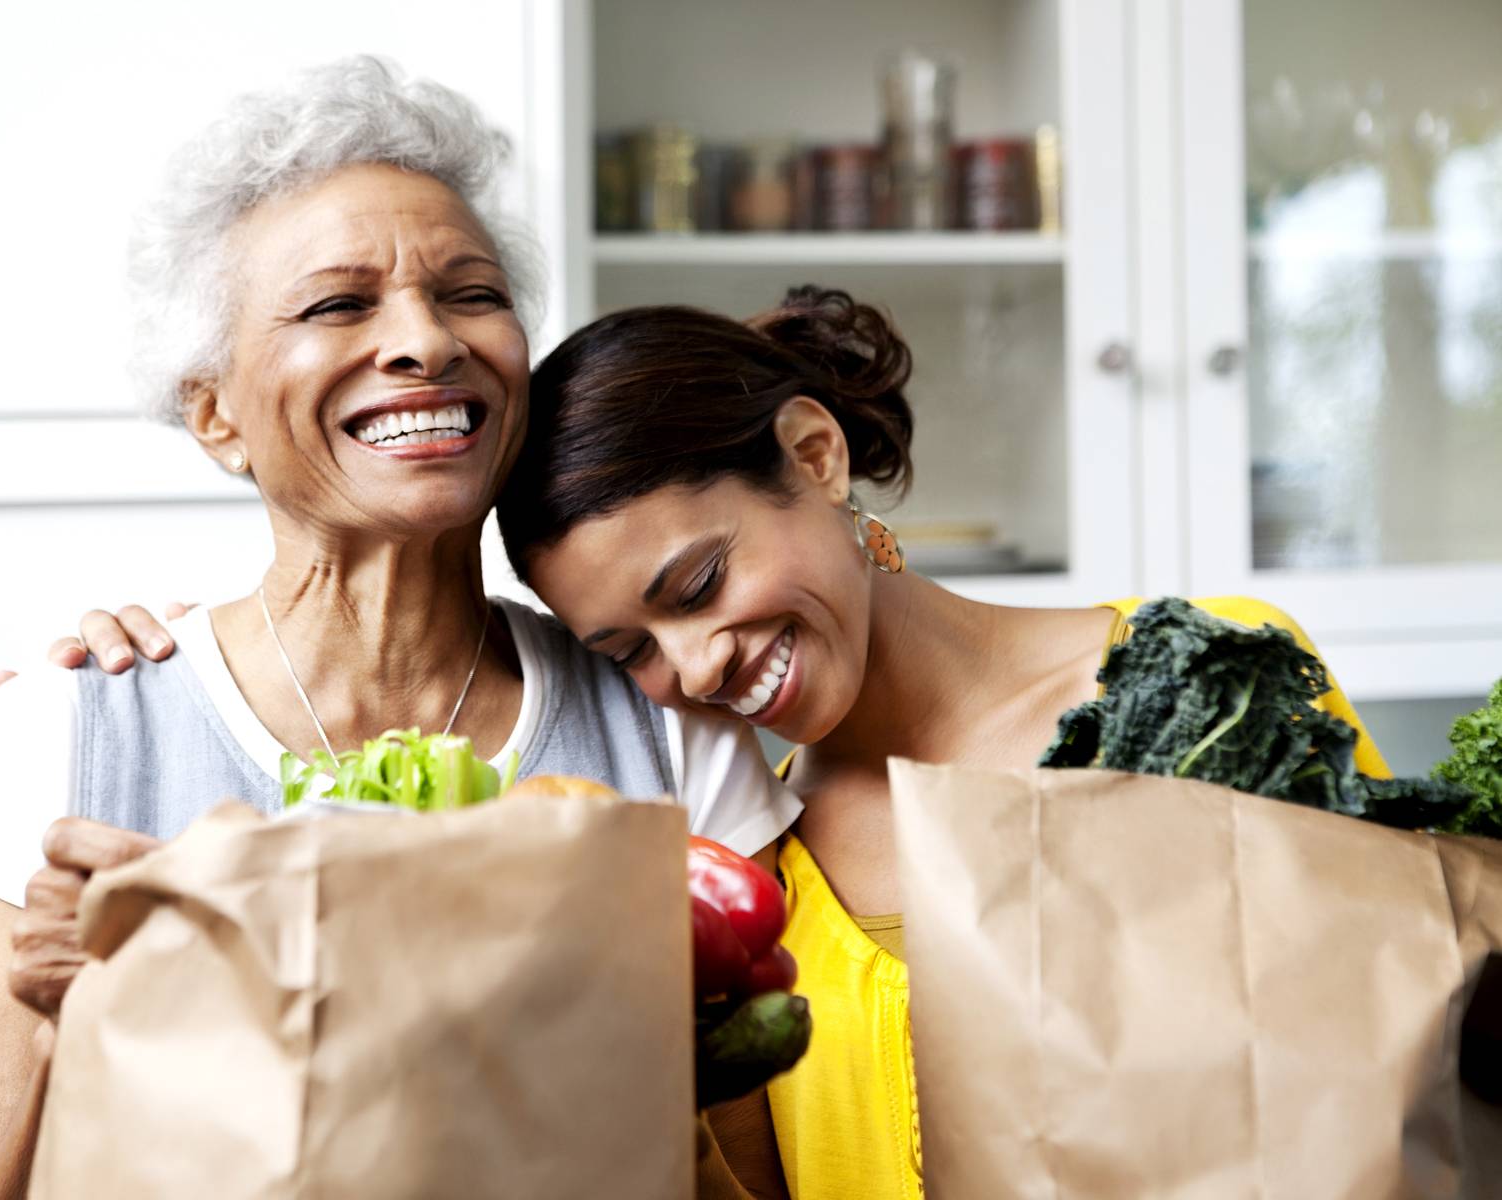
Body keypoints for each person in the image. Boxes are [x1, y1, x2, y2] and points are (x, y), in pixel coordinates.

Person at [70, 285, 1388, 1199]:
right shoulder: (742, 872)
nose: (693, 668)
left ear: (812, 455)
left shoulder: (1200, 674)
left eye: (695, 586)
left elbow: (1395, 1034)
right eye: (626, 651)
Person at [0, 58, 796, 1200]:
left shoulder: (670, 731)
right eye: (337, 305)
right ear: (213, 411)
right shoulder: (47, 748)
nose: (427, 341)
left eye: (471, 294)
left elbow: (747, 1181)